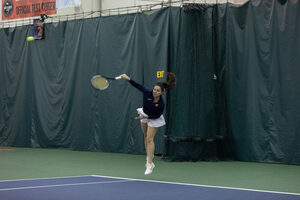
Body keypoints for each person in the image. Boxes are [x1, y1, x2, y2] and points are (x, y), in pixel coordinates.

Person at [120, 72, 177, 175]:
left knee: (150, 139)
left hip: (154, 118)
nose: (155, 91)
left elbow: (156, 116)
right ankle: (149, 156)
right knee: (145, 136)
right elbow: (138, 86)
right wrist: (128, 78)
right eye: (154, 89)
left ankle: (149, 163)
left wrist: (145, 117)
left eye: (157, 91)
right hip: (145, 113)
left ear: (161, 93)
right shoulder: (148, 93)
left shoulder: (161, 104)